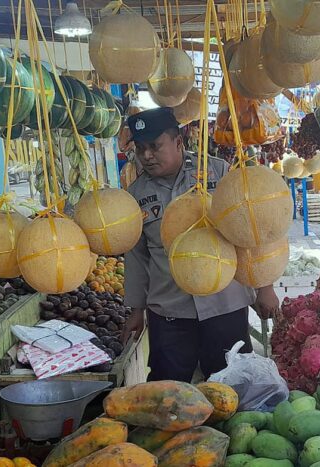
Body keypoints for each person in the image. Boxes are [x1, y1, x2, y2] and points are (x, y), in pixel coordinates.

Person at [120, 107, 280, 383]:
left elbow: (251, 234)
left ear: (178, 142)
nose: (146, 156)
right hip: (169, 312)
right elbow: (136, 256)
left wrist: (264, 287)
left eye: (155, 147)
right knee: (169, 390)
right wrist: (137, 309)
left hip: (225, 305)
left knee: (234, 387)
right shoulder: (135, 195)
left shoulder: (219, 173)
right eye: (140, 148)